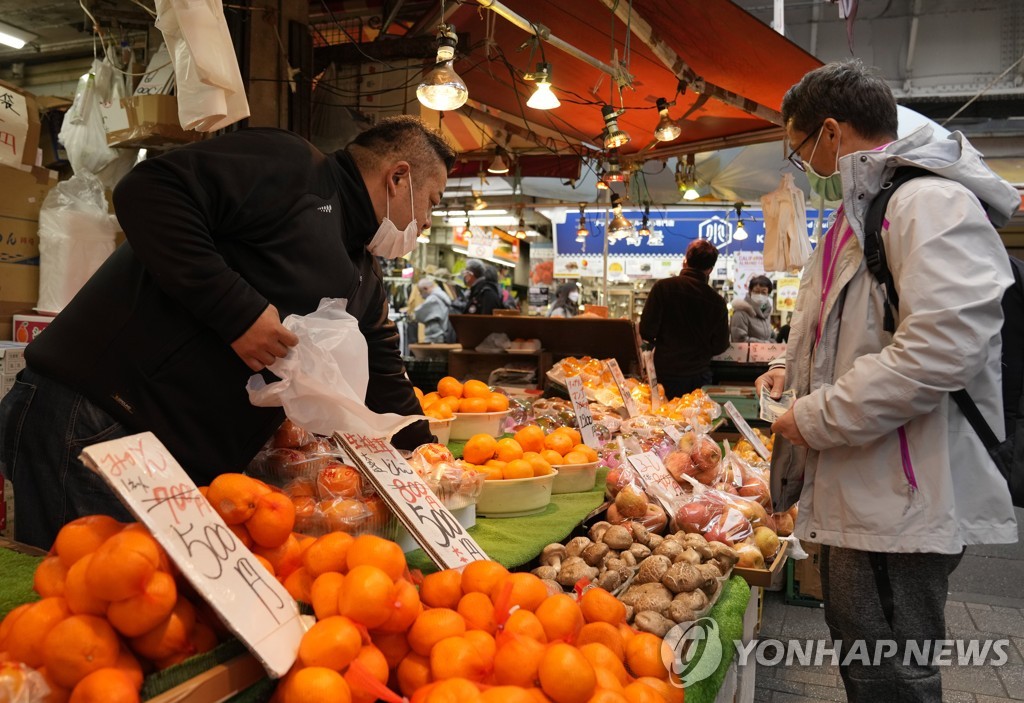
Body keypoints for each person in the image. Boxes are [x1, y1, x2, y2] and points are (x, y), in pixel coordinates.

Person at [0, 115, 456, 550]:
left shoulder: (361, 267)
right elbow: (148, 190)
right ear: (398, 178)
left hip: (178, 454)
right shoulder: (292, 167)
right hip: (98, 417)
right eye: (432, 202)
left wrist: (429, 461)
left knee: (139, 610)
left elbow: (382, 367)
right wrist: (237, 313)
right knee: (78, 610)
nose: (428, 222)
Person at [757, 59, 1018, 703]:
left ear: (828, 132)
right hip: (873, 481)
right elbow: (871, 330)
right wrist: (797, 371)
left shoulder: (928, 202)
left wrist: (812, 416)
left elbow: (940, 348)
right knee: (869, 656)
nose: (803, 166)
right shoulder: (867, 208)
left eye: (798, 150)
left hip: (900, 489)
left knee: (891, 671)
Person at [639, 239, 730, 398]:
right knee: (697, 420)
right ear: (710, 269)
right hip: (698, 376)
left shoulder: (663, 288)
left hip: (665, 374)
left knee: (663, 418)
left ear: (685, 261)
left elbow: (646, 331)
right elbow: (720, 345)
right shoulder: (717, 302)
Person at [730, 275, 775, 342]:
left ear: (768, 294)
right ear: (750, 291)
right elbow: (740, 339)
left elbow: (768, 335)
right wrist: (765, 344)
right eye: (756, 291)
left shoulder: (766, 312)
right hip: (746, 352)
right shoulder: (740, 313)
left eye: (763, 292)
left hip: (764, 352)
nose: (760, 295)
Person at [412, 277, 453, 343]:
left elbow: (418, 314)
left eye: (420, 291)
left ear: (425, 288)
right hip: (441, 335)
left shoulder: (433, 299)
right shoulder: (441, 295)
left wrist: (413, 314)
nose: (420, 294)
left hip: (436, 337)